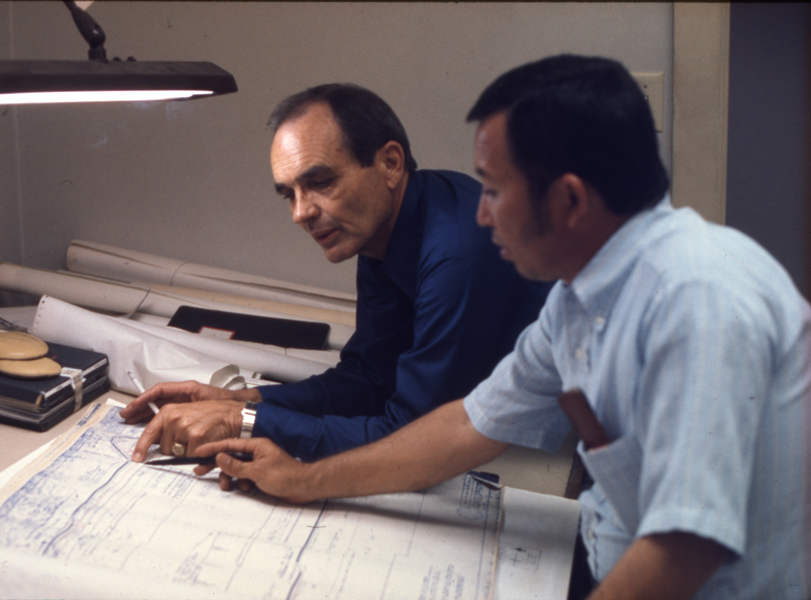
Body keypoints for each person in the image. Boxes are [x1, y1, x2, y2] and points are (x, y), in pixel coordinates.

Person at [197, 55, 811, 600]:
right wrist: (305, 479)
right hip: (604, 557)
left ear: (568, 200)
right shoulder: (576, 300)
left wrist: (259, 427)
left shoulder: (698, 296)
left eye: (494, 191)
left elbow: (685, 548)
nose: (482, 215)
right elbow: (465, 425)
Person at [121, 83, 549, 462]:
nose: (300, 213)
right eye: (289, 194)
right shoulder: (383, 228)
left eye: (322, 183)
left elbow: (412, 438)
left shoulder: (455, 253)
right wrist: (243, 399)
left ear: (390, 163)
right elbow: (369, 378)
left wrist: (243, 422)